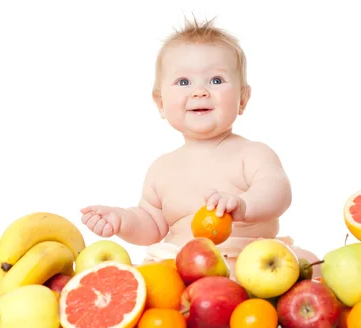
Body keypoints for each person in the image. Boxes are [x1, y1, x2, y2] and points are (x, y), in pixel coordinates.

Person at [80, 17, 322, 279]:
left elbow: (277, 192)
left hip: (250, 262)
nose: (200, 91)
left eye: (216, 80)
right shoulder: (161, 169)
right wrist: (122, 220)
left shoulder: (252, 153)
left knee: (310, 264)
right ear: (160, 103)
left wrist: (244, 205)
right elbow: (151, 224)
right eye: (184, 82)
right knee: (142, 278)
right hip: (180, 265)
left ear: (242, 99)